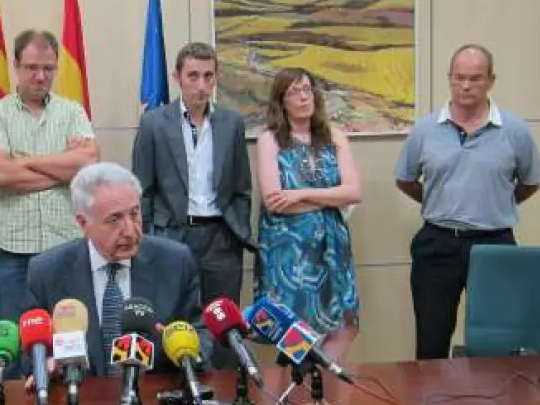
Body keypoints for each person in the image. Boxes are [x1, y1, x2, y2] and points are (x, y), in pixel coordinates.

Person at [395, 44, 540, 360]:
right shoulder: (425, 130)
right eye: (459, 77)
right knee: (431, 343)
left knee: (497, 345)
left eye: (475, 78)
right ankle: (432, 395)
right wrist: (439, 200)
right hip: (438, 242)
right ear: (449, 78)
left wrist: (494, 202)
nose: (465, 86)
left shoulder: (515, 130)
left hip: (495, 244)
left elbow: (529, 183)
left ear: (491, 80)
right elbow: (405, 179)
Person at [24, 162, 211, 377]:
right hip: (82, 393)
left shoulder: (175, 262)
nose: (130, 231)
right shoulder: (47, 272)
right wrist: (46, 366)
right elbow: (30, 353)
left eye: (134, 214)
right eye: (114, 219)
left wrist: (186, 352)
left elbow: (201, 332)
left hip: (155, 393)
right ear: (83, 223)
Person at [131, 42, 251, 369]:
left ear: (216, 77)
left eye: (208, 76)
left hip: (220, 237)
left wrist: (238, 230)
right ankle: (176, 385)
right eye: (193, 76)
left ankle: (224, 387)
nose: (201, 85)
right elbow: (142, 189)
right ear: (177, 77)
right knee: (172, 317)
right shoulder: (154, 123)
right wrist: (150, 238)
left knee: (223, 321)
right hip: (172, 235)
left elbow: (241, 185)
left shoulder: (231, 123)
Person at [0, 29, 99, 325]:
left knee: (69, 340)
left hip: (65, 248)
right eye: (31, 68)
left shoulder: (73, 112)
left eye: (48, 68)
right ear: (16, 66)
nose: (41, 77)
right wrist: (63, 170)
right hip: (9, 253)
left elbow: (88, 164)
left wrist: (23, 161)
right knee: (12, 343)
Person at [255, 68, 361, 337]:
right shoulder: (269, 140)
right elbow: (275, 201)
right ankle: (298, 369)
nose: (304, 97)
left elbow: (353, 192)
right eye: (294, 92)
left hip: (333, 245)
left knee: (344, 326)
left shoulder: (335, 136)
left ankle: (324, 369)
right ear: (281, 101)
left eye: (307, 90)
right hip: (289, 252)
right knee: (294, 332)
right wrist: (330, 198)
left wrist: (299, 195)